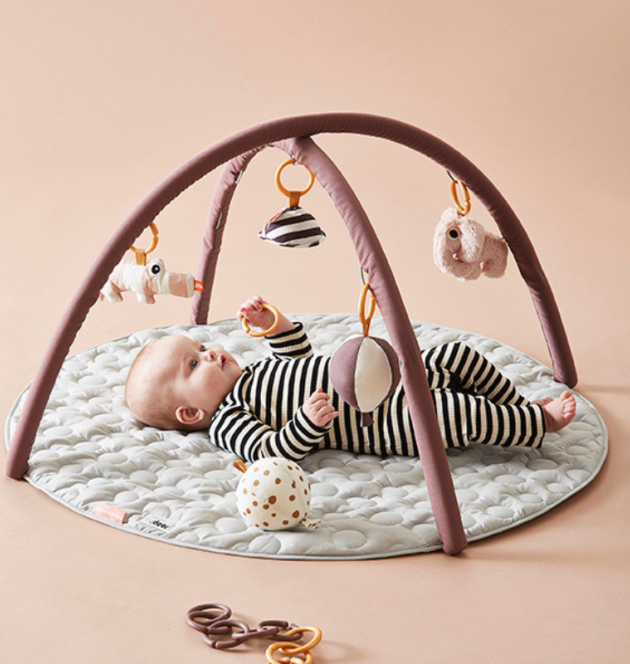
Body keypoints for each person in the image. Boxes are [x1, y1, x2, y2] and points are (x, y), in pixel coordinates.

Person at [125, 295, 576, 463]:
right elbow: (269, 453)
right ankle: (537, 425)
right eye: (194, 365)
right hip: (382, 421)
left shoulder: (256, 372)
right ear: (191, 413)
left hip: (389, 377)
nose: (210, 353)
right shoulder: (228, 419)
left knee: (458, 354)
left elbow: (297, 355)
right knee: (456, 412)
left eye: (201, 347)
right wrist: (304, 425)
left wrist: (274, 325)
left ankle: (517, 406)